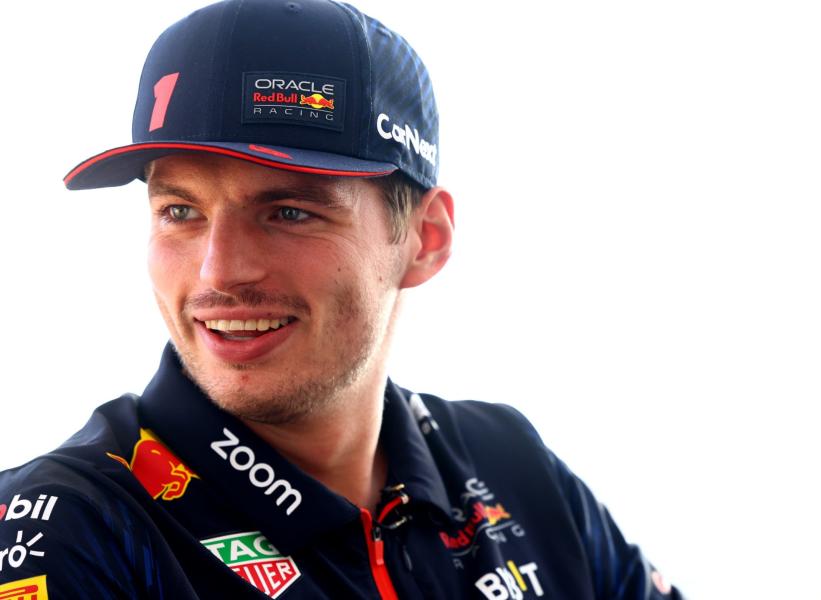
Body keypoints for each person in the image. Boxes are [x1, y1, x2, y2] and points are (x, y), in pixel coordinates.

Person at [0, 1, 683, 598]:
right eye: (180, 211)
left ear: (425, 239)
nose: (219, 271)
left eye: (289, 212)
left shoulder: (510, 462)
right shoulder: (70, 528)